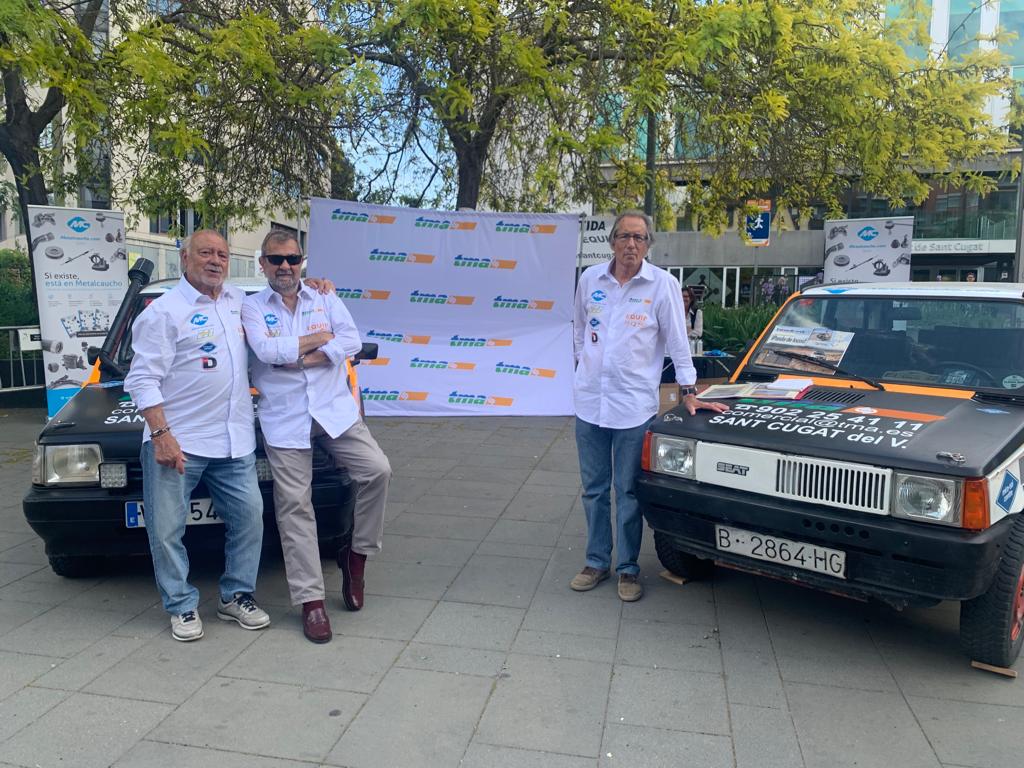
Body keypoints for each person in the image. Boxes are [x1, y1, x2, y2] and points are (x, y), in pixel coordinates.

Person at [242, 231, 392, 644]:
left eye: (292, 259)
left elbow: (350, 340)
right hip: (285, 418)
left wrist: (310, 354)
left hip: (334, 412)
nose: (285, 267)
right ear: (263, 264)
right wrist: (319, 340)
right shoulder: (251, 307)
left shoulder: (324, 297)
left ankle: (356, 555)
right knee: (295, 506)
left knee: (377, 471)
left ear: (302, 260)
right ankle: (311, 602)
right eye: (276, 260)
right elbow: (267, 352)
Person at [570, 211, 728, 602]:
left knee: (627, 491)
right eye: (624, 236)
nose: (631, 245)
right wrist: (582, 367)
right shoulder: (590, 279)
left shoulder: (662, 286)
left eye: (639, 238)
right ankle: (595, 561)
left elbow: (678, 339)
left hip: (632, 408)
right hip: (590, 402)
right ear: (612, 241)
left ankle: (627, 569)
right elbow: (577, 328)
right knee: (592, 490)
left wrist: (690, 391)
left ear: (648, 245)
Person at [125, 229, 272, 642]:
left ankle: (235, 596)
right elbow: (142, 379)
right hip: (179, 441)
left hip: (234, 440)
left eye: (222, 254)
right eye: (205, 252)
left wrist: (314, 286)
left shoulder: (239, 302)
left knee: (249, 519)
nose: (215, 260)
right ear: (184, 259)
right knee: (167, 529)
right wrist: (161, 434)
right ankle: (181, 604)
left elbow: (282, 300)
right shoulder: (163, 312)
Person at [683, 286, 703, 351]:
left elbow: (698, 333)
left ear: (691, 299)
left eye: (686, 296)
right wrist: (689, 330)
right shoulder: (674, 312)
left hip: (692, 347)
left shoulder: (697, 312)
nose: (683, 298)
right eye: (681, 296)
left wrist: (681, 331)